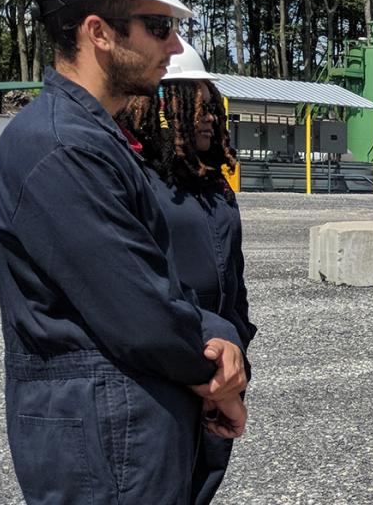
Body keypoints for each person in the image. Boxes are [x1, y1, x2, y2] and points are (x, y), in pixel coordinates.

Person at [0, 0, 248, 504]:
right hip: (105, 440)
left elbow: (158, 280)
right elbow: (141, 311)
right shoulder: (60, 148)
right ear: (99, 32)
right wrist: (222, 380)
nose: (175, 46)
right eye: (158, 26)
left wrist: (220, 332)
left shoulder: (94, 139)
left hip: (123, 425)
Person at [115, 37, 257, 504]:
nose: (212, 117)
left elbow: (233, 283)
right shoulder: (133, 181)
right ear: (159, 108)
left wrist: (237, 359)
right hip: (164, 377)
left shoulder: (213, 184)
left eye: (212, 107)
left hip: (219, 374)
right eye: (198, 108)